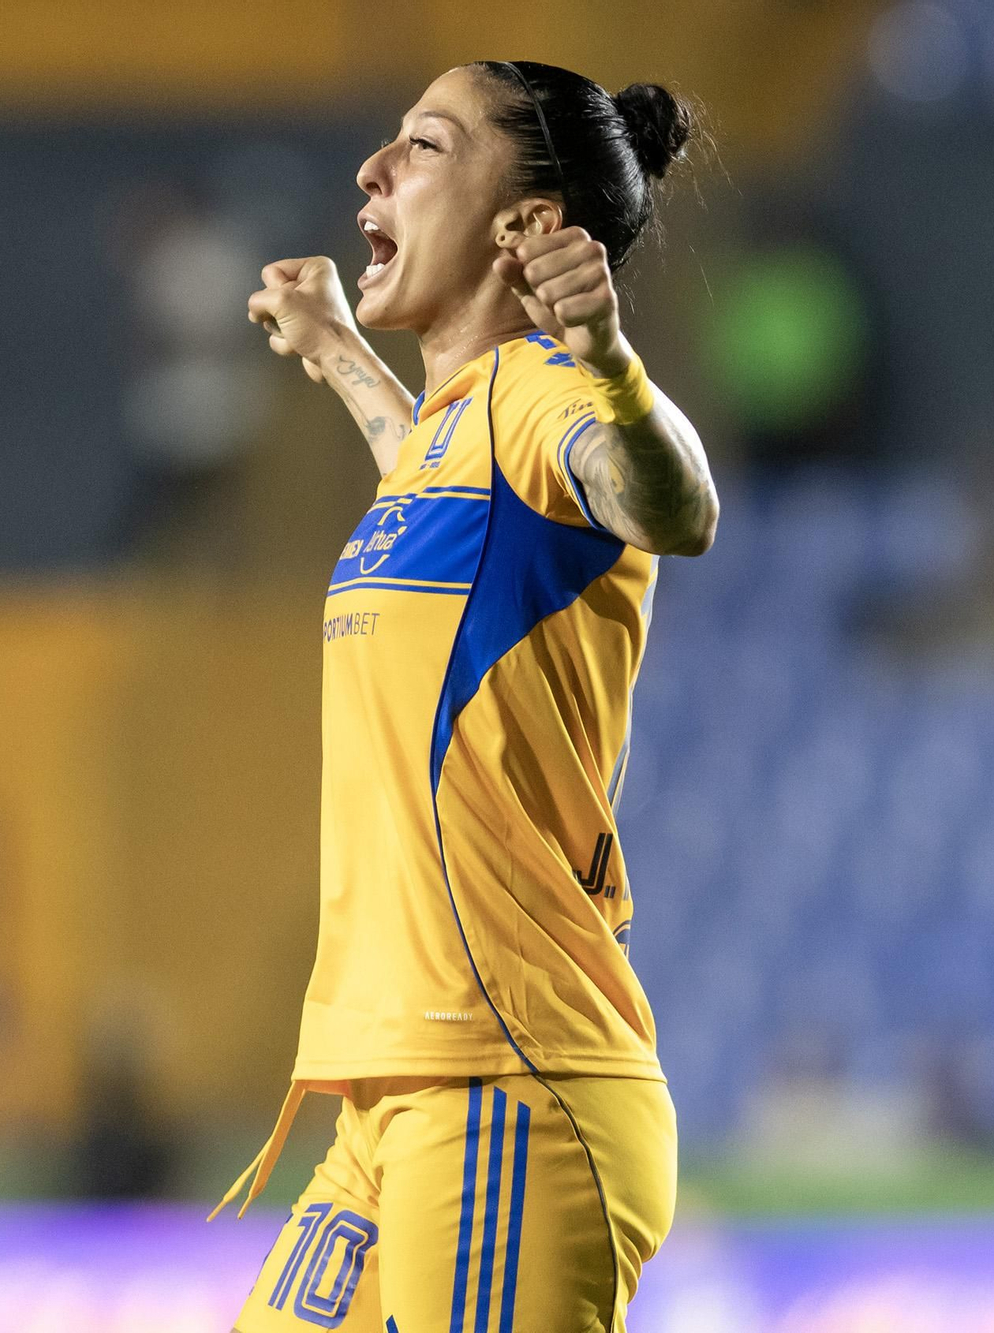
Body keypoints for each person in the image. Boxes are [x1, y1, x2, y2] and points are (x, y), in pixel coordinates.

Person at [224, 61, 719, 1332]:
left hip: (508, 1077)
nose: (370, 172)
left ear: (525, 229)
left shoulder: (548, 396)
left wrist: (606, 356)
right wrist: (339, 353)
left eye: (423, 147)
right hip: (399, 1095)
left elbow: (671, 505)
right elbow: (435, 479)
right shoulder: (460, 427)